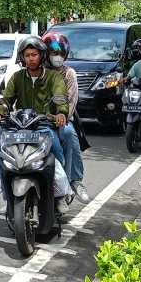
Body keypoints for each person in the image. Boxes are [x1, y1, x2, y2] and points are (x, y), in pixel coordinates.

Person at [0, 37, 68, 204]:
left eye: (35, 54)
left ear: (42, 56)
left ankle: (60, 189)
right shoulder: (17, 77)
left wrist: (61, 113)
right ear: (22, 58)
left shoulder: (53, 77)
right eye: (27, 55)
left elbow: (60, 96)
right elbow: (6, 99)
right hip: (19, 125)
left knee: (57, 146)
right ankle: (0, 180)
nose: (31, 58)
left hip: (43, 124)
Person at [41, 32, 90, 203]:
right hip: (36, 120)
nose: (58, 57)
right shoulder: (37, 71)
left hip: (61, 119)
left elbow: (71, 101)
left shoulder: (69, 73)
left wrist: (59, 117)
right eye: (54, 53)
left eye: (61, 54)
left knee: (68, 134)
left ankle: (72, 181)